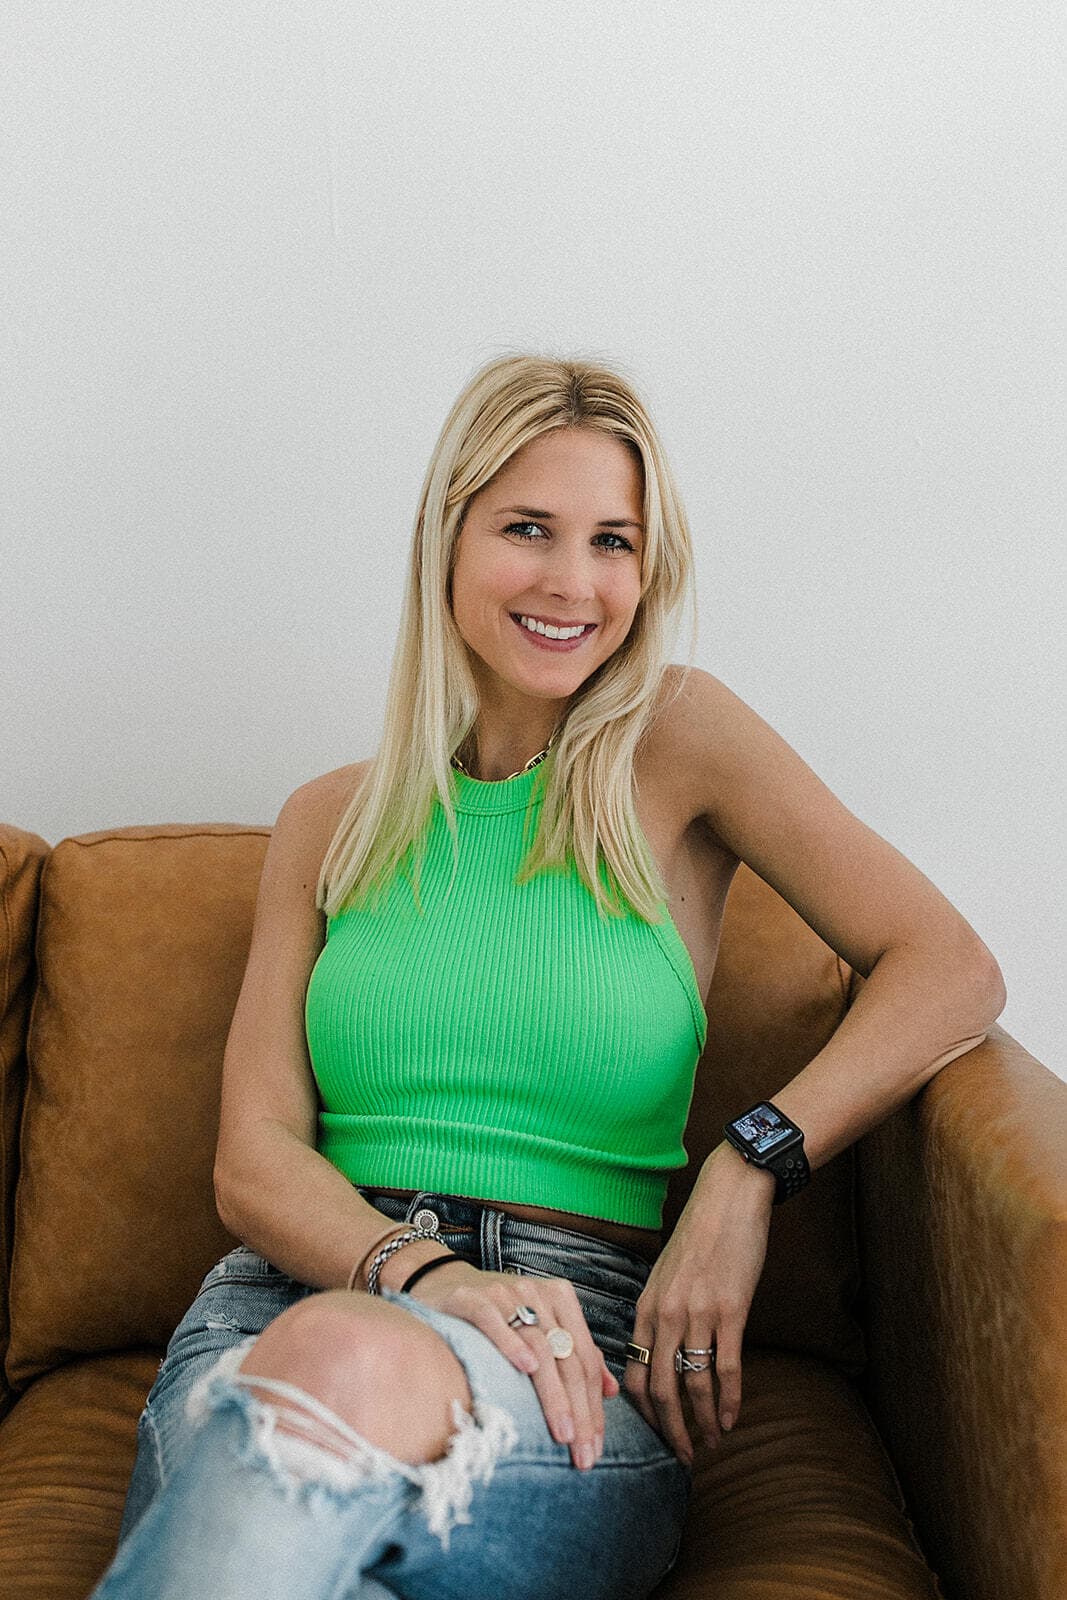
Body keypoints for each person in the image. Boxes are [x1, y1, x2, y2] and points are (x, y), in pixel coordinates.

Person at [91, 352, 1005, 1600]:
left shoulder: (680, 748)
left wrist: (746, 1166)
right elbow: (255, 1160)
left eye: (613, 542)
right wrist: (430, 1278)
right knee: (333, 1402)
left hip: (567, 1347)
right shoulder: (329, 820)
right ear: (444, 538)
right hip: (280, 1310)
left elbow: (946, 967)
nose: (574, 584)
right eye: (528, 528)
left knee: (341, 1389)